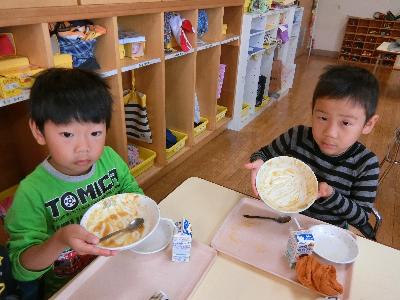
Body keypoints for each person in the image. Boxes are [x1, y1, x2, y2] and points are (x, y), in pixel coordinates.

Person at [4, 68, 144, 298]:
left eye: (95, 133)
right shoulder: (32, 192)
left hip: (118, 264)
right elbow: (22, 269)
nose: (84, 148)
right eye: (67, 135)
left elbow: (134, 195)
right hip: (70, 287)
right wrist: (60, 240)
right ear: (38, 131)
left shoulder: (110, 159)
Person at [245, 65, 380, 240]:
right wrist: (259, 163)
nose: (330, 132)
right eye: (323, 118)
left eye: (345, 123)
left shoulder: (366, 164)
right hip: (285, 222)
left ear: (368, 124)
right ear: (313, 110)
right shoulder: (297, 136)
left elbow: (361, 218)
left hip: (326, 234)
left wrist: (330, 195)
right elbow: (263, 154)